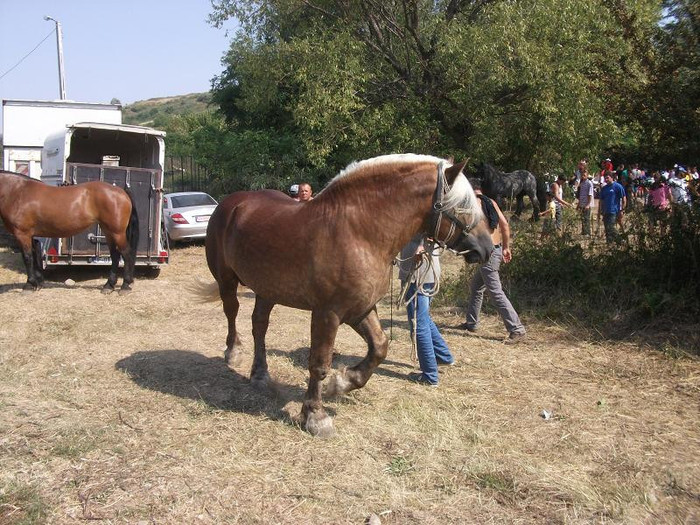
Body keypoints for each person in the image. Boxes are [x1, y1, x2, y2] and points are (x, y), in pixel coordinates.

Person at [459, 180, 526, 343]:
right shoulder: (491, 202)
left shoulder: (472, 204)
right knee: (476, 287)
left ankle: (517, 329)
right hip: (495, 250)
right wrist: (506, 247)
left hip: (487, 253)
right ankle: (471, 322)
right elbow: (504, 225)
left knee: (496, 292)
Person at [398, 236, 454, 386]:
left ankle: (430, 375)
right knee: (424, 318)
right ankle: (444, 356)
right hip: (426, 271)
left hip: (418, 273)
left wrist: (421, 245)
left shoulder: (421, 213)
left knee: (419, 323)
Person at [598, 171, 626, 244]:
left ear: (612, 177)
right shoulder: (604, 188)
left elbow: (624, 199)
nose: (606, 180)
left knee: (611, 227)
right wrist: (600, 211)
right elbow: (601, 201)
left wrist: (622, 210)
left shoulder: (618, 186)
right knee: (607, 229)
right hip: (605, 211)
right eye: (605, 178)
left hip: (614, 211)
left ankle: (620, 241)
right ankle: (609, 244)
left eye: (607, 178)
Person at [576, 169, 595, 236]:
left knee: (586, 218)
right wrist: (578, 204)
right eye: (582, 175)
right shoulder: (581, 183)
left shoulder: (589, 183)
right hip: (582, 203)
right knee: (583, 218)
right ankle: (584, 231)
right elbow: (580, 195)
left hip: (587, 204)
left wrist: (588, 204)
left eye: (584, 175)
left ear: (587, 175)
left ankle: (587, 232)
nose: (583, 176)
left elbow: (590, 195)